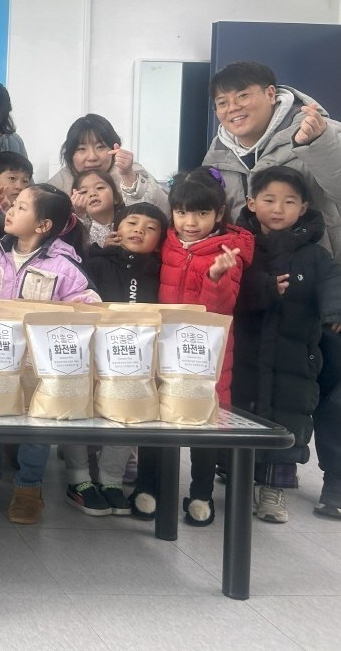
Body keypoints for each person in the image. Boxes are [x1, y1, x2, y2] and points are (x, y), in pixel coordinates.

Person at [0, 184, 99, 526]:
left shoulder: (63, 265)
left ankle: (28, 488)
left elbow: (86, 303)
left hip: (39, 365)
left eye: (21, 207)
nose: (10, 210)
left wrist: (80, 308)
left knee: (37, 424)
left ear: (43, 225)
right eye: (13, 204)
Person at [133, 168, 253, 527]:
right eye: (182, 212)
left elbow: (221, 308)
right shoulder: (166, 242)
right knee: (157, 415)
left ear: (219, 214)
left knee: (205, 419)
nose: (190, 222)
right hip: (164, 347)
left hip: (208, 353)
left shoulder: (227, 253)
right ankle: (147, 486)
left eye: (202, 213)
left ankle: (201, 493)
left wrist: (215, 276)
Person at [232, 166, 341, 523]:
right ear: (251, 203)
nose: (278, 208)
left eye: (289, 201)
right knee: (242, 415)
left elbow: (332, 281)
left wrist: (335, 310)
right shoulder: (242, 246)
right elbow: (233, 287)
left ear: (303, 207)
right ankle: (239, 481)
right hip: (247, 352)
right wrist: (265, 288)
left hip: (293, 357)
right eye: (269, 200)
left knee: (286, 422)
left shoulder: (314, 255)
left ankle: (273, 491)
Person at [63, 203, 168, 518]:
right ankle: (78, 478)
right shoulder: (96, 261)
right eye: (132, 223)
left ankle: (111, 479)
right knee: (77, 407)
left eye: (151, 228)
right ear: (116, 229)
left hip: (135, 358)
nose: (139, 230)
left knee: (127, 413)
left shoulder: (159, 268)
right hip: (91, 351)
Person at [203, 61, 341, 256]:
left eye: (242, 96)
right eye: (222, 102)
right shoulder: (216, 154)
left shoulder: (323, 133)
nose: (232, 108)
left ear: (270, 94)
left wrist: (319, 145)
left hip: (321, 270)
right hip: (250, 271)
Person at [47, 114, 169, 214]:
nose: (92, 157)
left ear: (114, 148)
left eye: (100, 147)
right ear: (70, 155)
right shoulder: (58, 185)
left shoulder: (130, 170)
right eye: (81, 149)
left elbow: (166, 212)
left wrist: (129, 176)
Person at [71, 168, 125, 249]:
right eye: (84, 192)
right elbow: (80, 248)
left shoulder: (127, 219)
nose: (92, 194)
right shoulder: (83, 230)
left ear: (115, 197)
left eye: (100, 187)